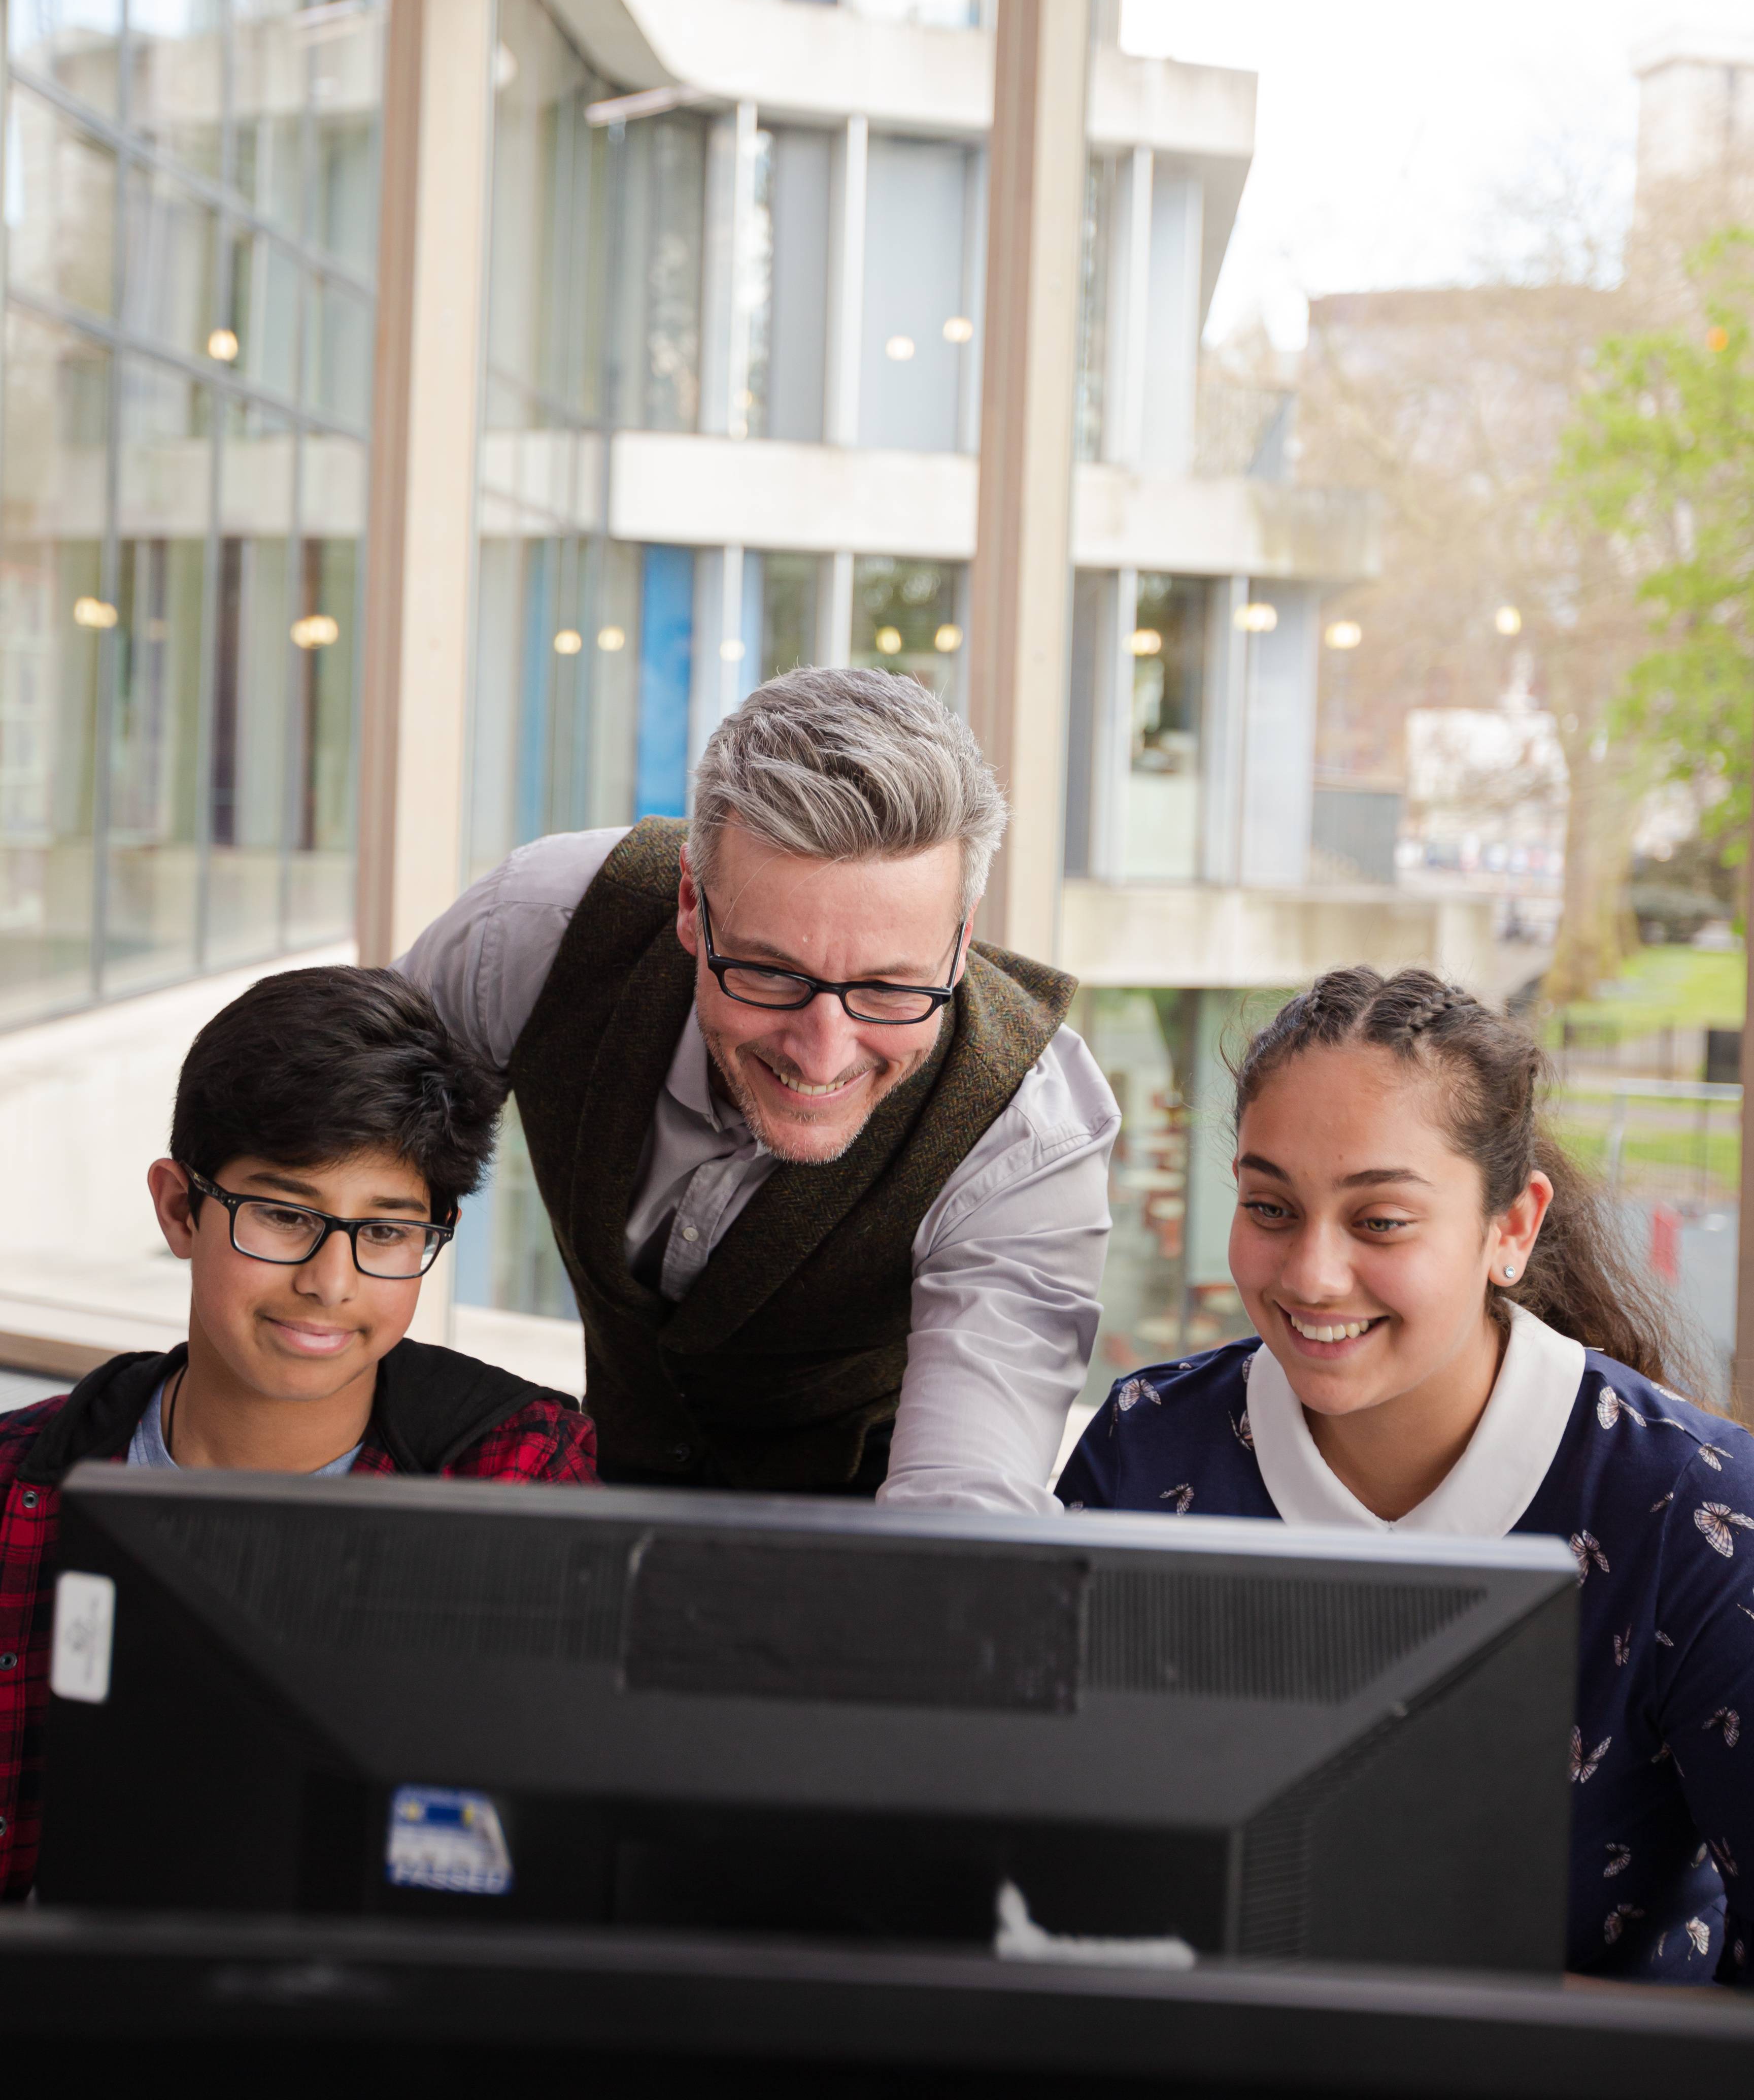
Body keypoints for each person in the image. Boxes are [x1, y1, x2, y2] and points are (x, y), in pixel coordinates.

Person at [1060, 966, 1754, 1987]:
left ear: (1510, 1229)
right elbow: (1047, 1869)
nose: (1309, 1275)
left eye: (1380, 1221)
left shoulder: (1701, 1511)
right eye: (1270, 1206)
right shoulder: (1143, 1452)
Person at [401, 666, 1118, 1510]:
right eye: (771, 975)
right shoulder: (535, 930)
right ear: (690, 906)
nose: (821, 1055)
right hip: (591, 1504)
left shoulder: (1030, 1133)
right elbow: (324, 1151)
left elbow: (964, 1502)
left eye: (889, 989)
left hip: (861, 1563)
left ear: (959, 948)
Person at [0, 965, 598, 1903]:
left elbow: (534, 1855)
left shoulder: (515, 1472)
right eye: (283, 1215)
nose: (330, 1282)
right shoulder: (17, 1486)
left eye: (388, 1232)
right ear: (178, 1210)